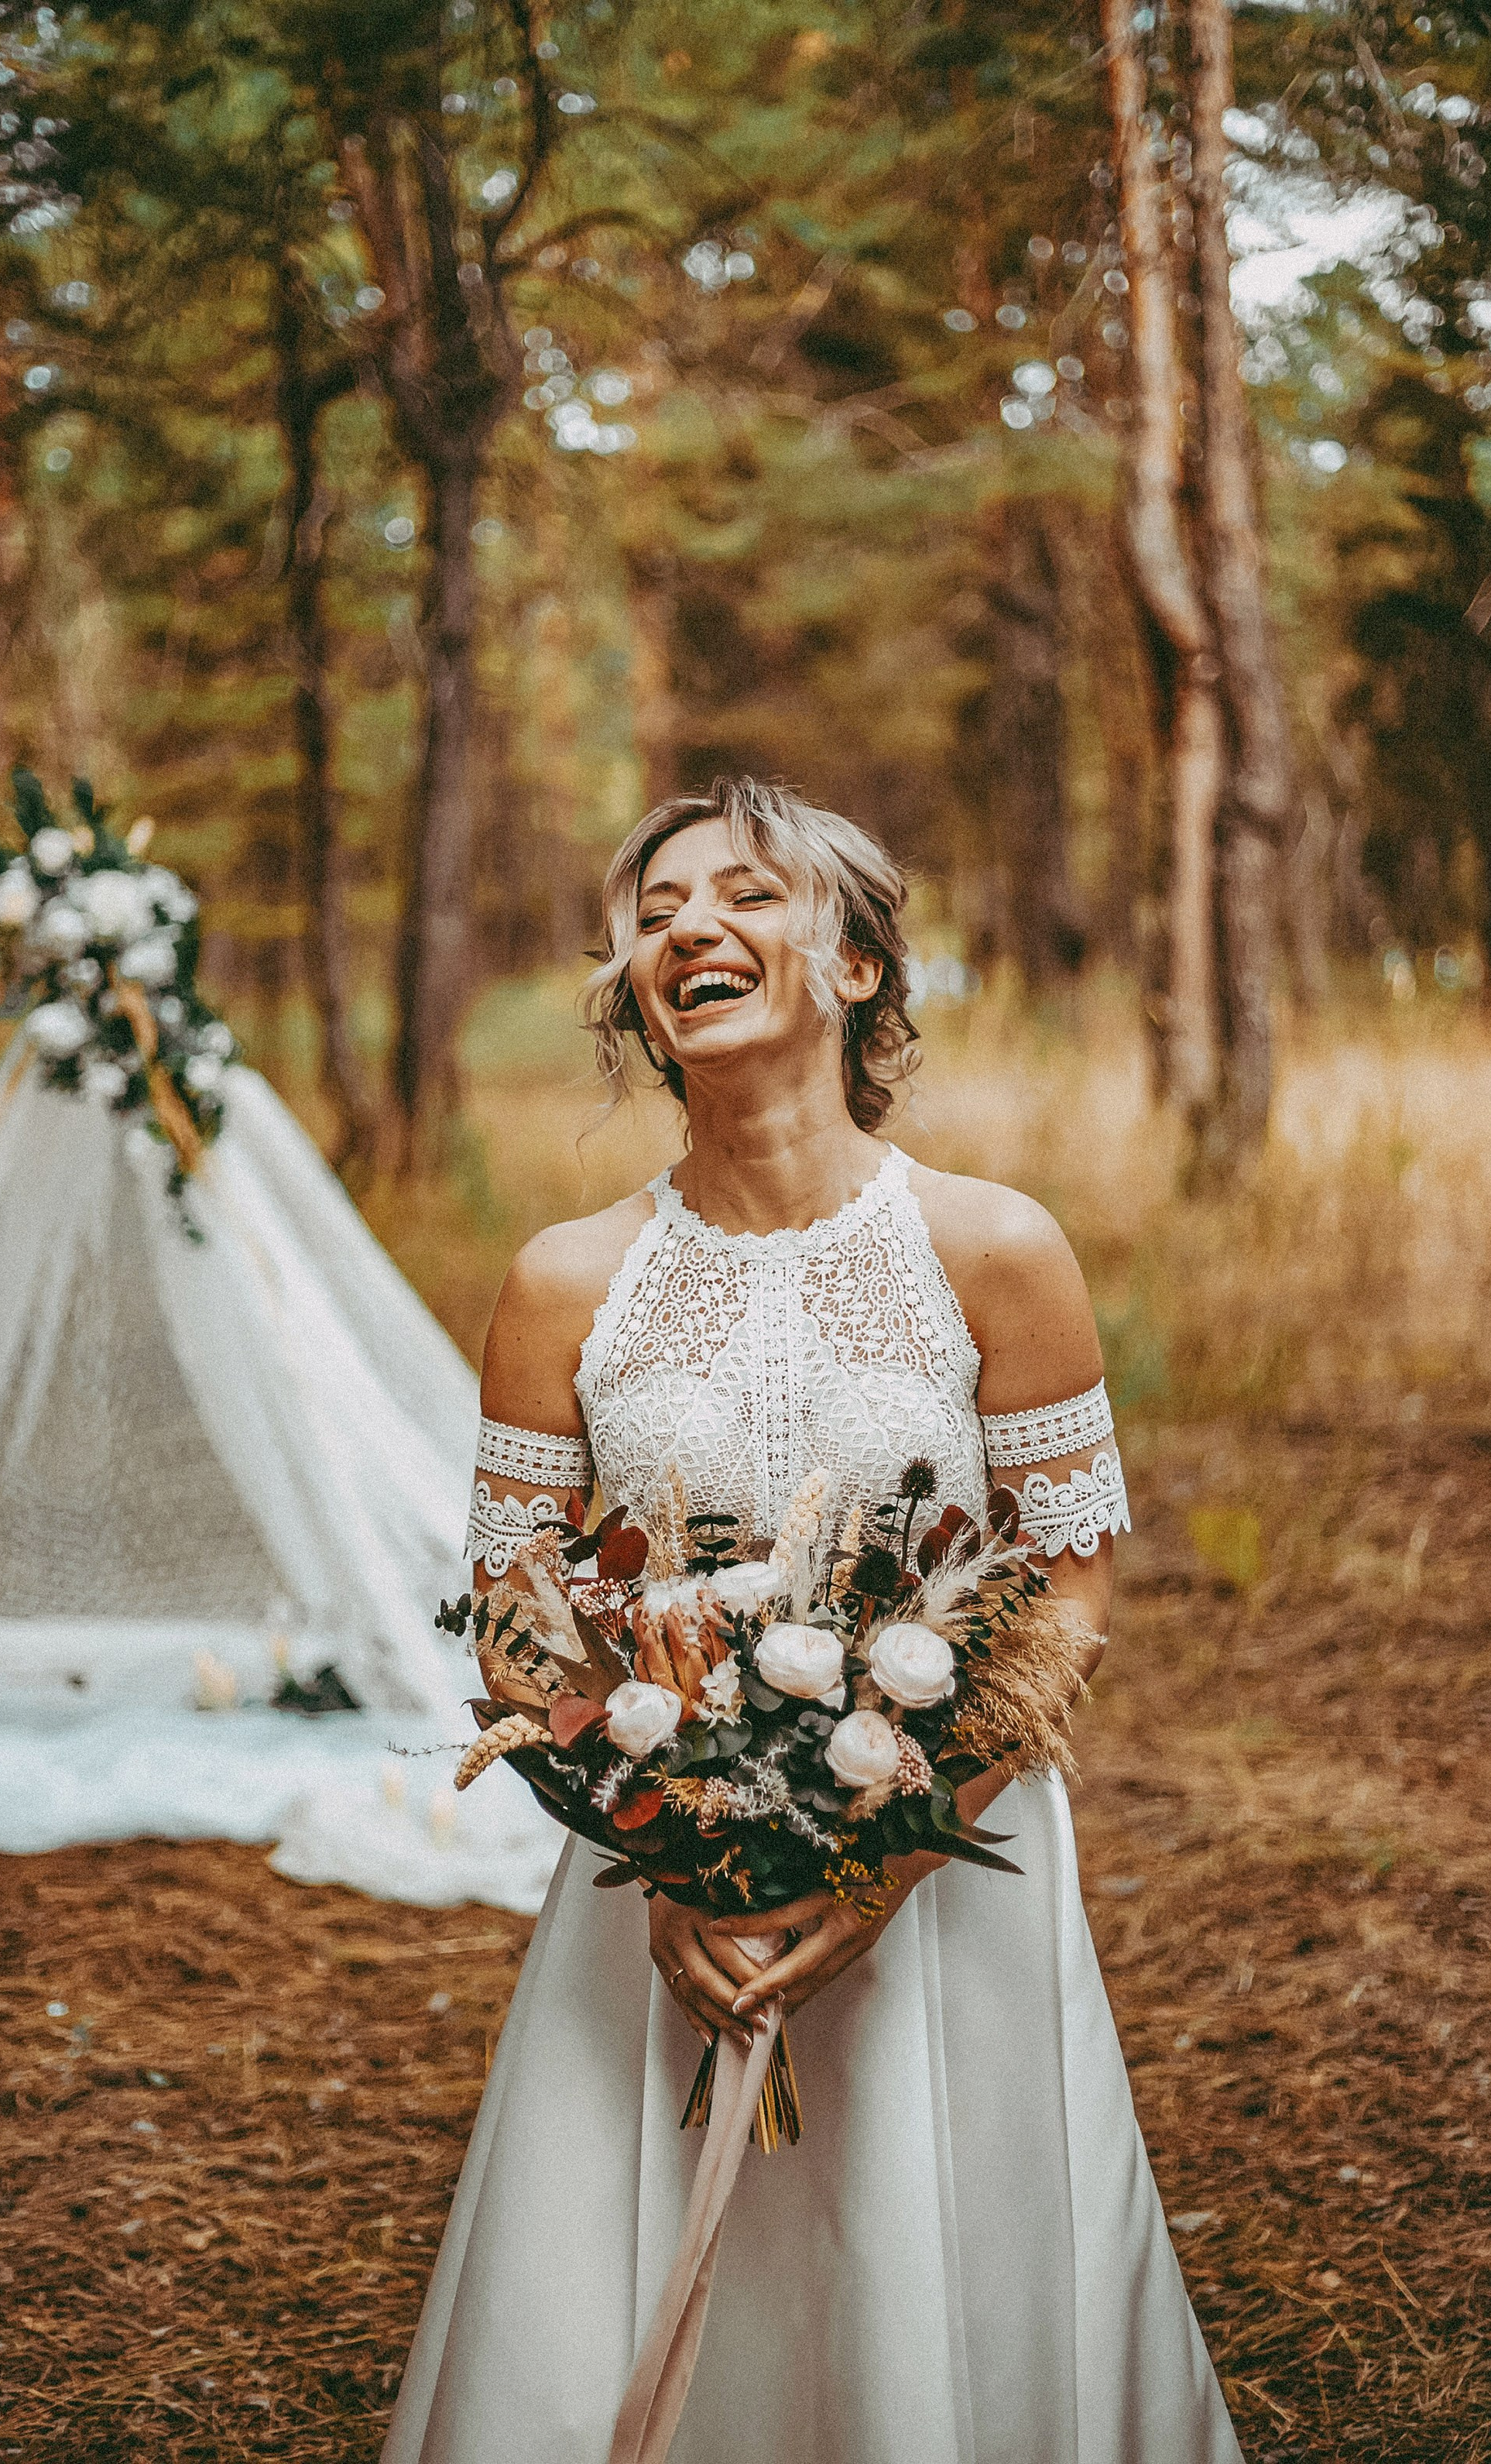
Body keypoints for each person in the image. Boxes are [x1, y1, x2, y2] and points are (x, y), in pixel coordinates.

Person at [384, 779, 1242, 2464]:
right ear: (639, 991)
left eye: (744, 895)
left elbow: (1069, 1588)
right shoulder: (566, 1278)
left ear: (853, 967)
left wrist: (885, 1860)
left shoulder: (995, 1247)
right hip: (655, 1898)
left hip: (945, 1884)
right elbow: (515, 1609)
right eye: (654, 912)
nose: (686, 927)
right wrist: (661, 1841)